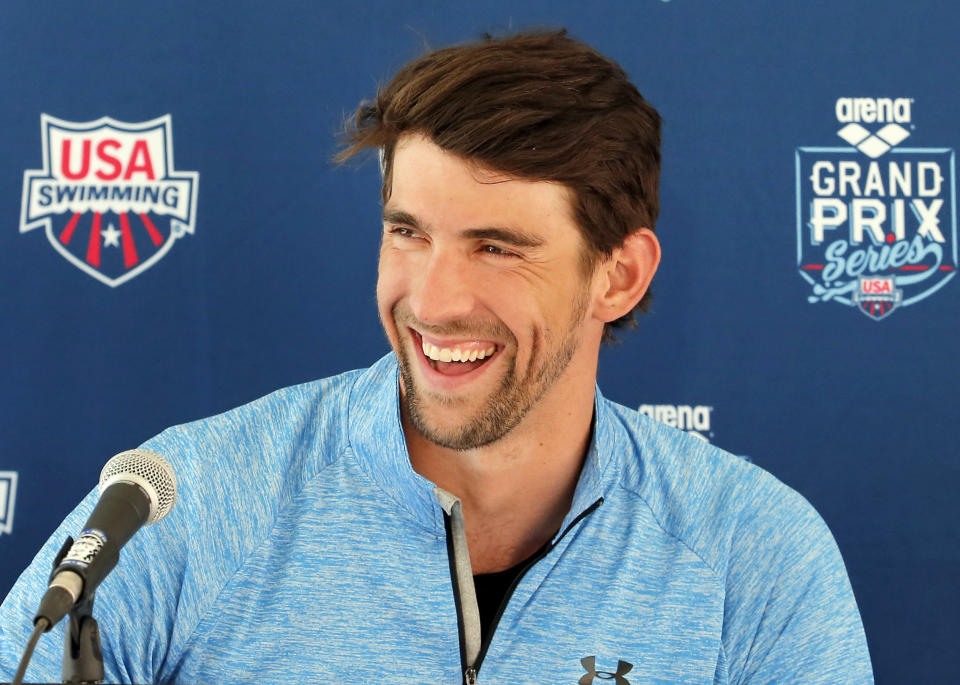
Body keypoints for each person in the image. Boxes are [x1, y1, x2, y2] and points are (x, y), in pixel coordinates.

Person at [1, 30, 872, 684]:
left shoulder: (755, 552)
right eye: (408, 233)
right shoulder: (185, 502)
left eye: (497, 247)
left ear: (621, 275)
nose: (434, 299)